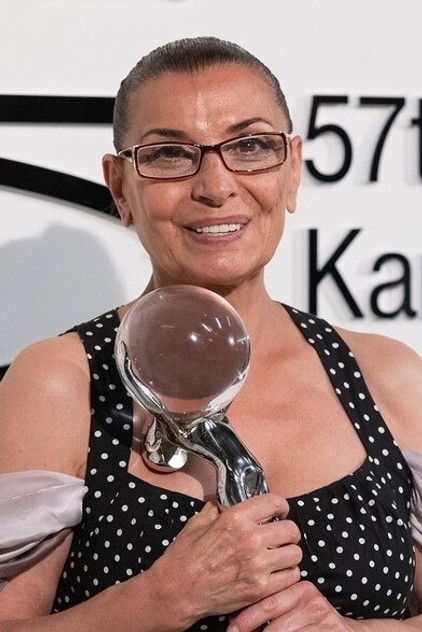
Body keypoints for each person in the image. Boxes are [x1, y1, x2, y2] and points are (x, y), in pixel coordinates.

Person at [0, 36, 421, 632]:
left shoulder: (387, 376)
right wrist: (159, 600)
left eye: (250, 146)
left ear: (292, 170)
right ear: (120, 187)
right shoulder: (63, 383)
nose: (216, 186)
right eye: (171, 154)